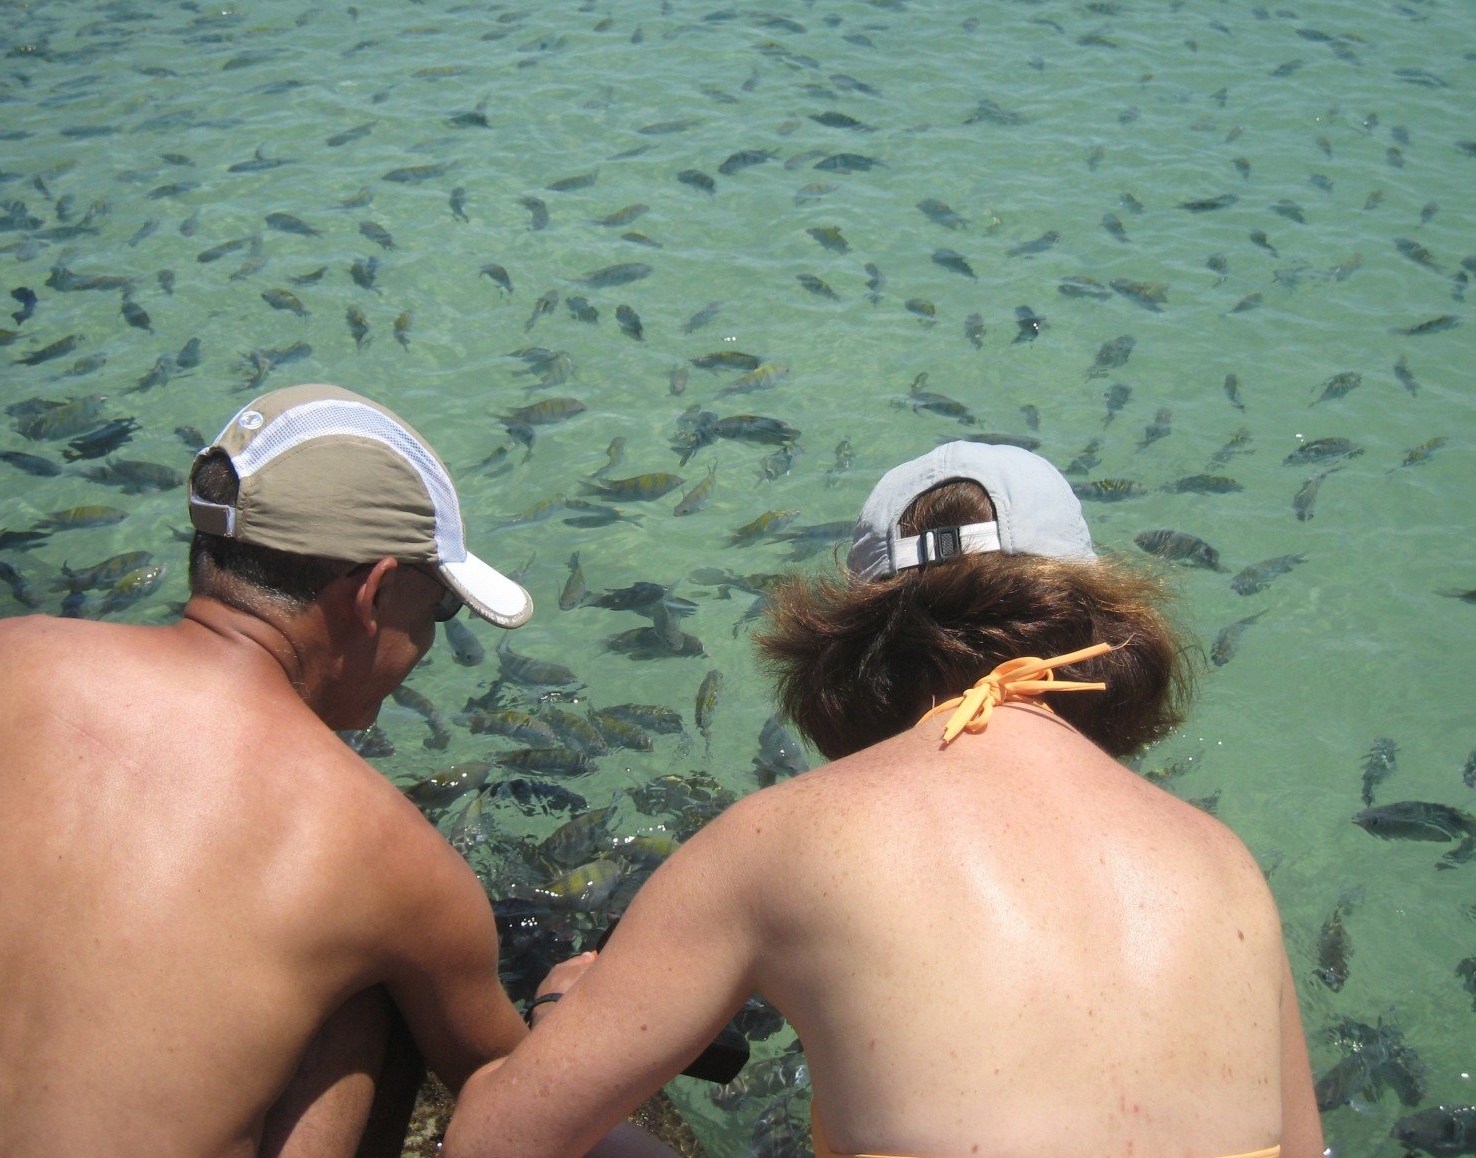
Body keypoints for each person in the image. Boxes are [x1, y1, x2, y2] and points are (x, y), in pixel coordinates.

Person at [444, 440, 1324, 1158]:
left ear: (854, 644)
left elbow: (492, 1145)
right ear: (1093, 622)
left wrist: (564, 1012)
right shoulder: (1222, 863)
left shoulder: (781, 838)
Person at [0, 384, 666, 1156]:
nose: (427, 646)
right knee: (376, 993)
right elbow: (522, 1110)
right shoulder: (381, 850)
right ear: (375, 592)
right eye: (440, 611)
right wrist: (568, 1021)